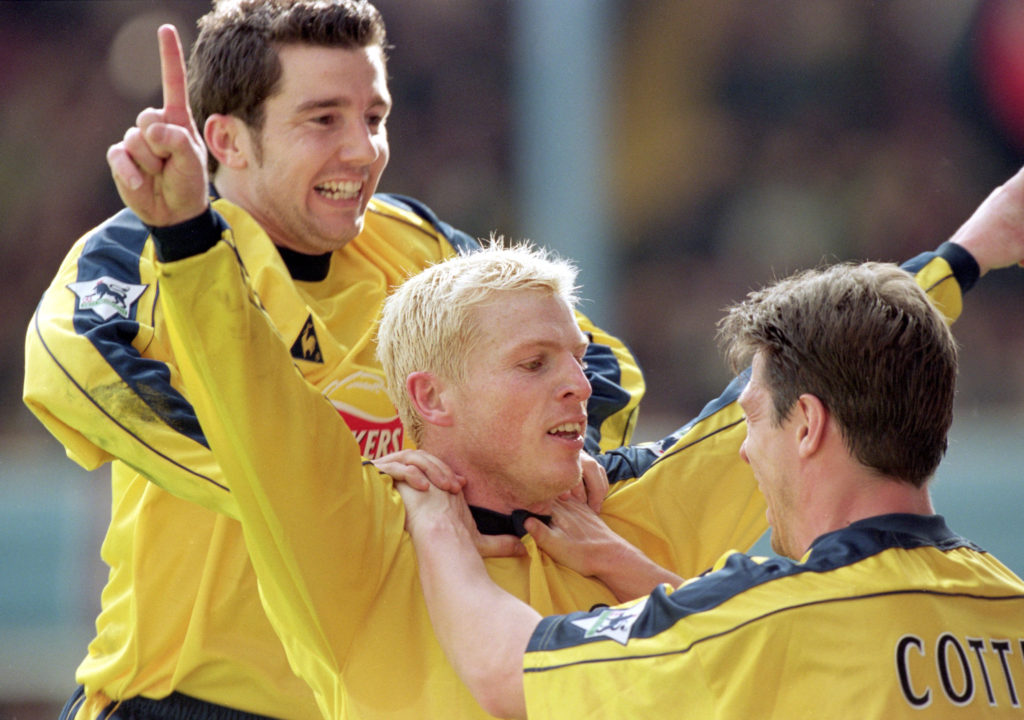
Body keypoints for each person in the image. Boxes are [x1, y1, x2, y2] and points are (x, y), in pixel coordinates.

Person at [152, 159, 1023, 720]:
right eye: (534, 362)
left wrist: (968, 252)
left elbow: (794, 389)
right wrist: (188, 238)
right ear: (430, 398)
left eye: (576, 357)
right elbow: (256, 410)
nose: (580, 382)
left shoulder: (619, 518)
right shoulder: (355, 545)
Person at [22, 3, 645, 719]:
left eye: (374, 118)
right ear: (228, 140)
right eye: (324, 120)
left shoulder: (420, 248)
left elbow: (599, 364)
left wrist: (564, 469)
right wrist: (333, 496)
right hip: (178, 700)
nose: (363, 150)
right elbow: (74, 377)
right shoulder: (149, 245)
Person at [398, 258, 1024, 719]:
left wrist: (433, 519)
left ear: (806, 425)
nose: (746, 451)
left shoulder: (779, 617)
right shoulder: (1008, 604)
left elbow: (506, 671)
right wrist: (620, 562)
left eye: (750, 418)